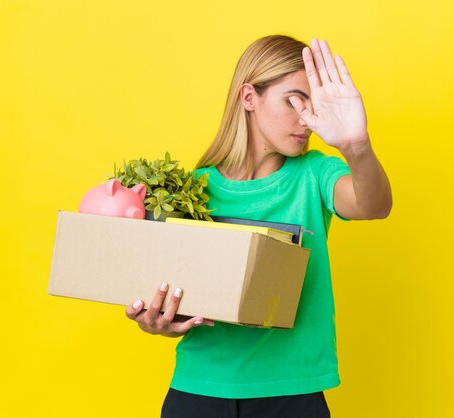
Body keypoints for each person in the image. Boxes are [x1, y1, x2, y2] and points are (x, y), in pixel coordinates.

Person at [125, 35, 392, 417]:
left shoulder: (315, 174)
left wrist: (356, 145)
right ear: (249, 97)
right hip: (198, 392)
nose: (308, 120)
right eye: (295, 100)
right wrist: (158, 320)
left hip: (293, 394)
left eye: (315, 108)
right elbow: (168, 292)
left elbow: (374, 205)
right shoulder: (188, 191)